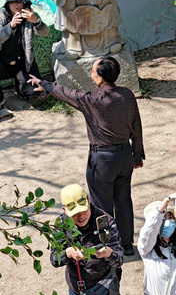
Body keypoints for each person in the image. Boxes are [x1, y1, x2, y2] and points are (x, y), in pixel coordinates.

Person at [29, 57, 144, 256]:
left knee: (102, 205)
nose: (91, 74)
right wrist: (137, 153)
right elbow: (137, 126)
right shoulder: (127, 95)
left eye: (92, 71)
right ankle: (126, 244)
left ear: (100, 78)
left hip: (102, 160)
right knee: (124, 199)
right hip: (125, 155)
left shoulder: (92, 100)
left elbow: (67, 93)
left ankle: (107, 246)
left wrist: (45, 84)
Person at [0, 0, 48, 103]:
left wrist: (36, 22)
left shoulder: (30, 15)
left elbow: (45, 33)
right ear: (8, 3)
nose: (18, 5)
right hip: (2, 62)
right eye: (15, 2)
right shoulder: (1, 16)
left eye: (21, 1)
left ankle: (20, 84)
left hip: (22, 62)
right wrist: (10, 26)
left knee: (34, 91)